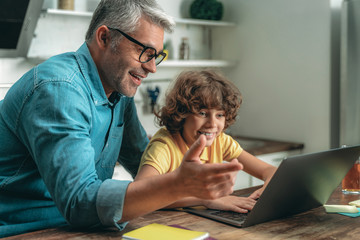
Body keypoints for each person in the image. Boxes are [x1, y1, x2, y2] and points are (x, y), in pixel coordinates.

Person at [0, 0, 243, 237]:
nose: (152, 68)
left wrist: (203, 195)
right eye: (144, 51)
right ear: (104, 37)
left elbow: (144, 161)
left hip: (80, 229)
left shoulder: (118, 91)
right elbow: (79, 202)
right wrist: (178, 185)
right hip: (24, 231)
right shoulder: (58, 90)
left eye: (156, 55)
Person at [136, 70, 277, 213]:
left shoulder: (220, 141)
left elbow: (270, 171)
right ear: (182, 113)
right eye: (202, 113)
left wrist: (269, 187)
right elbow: (139, 195)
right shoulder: (164, 146)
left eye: (220, 115)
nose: (212, 123)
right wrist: (206, 199)